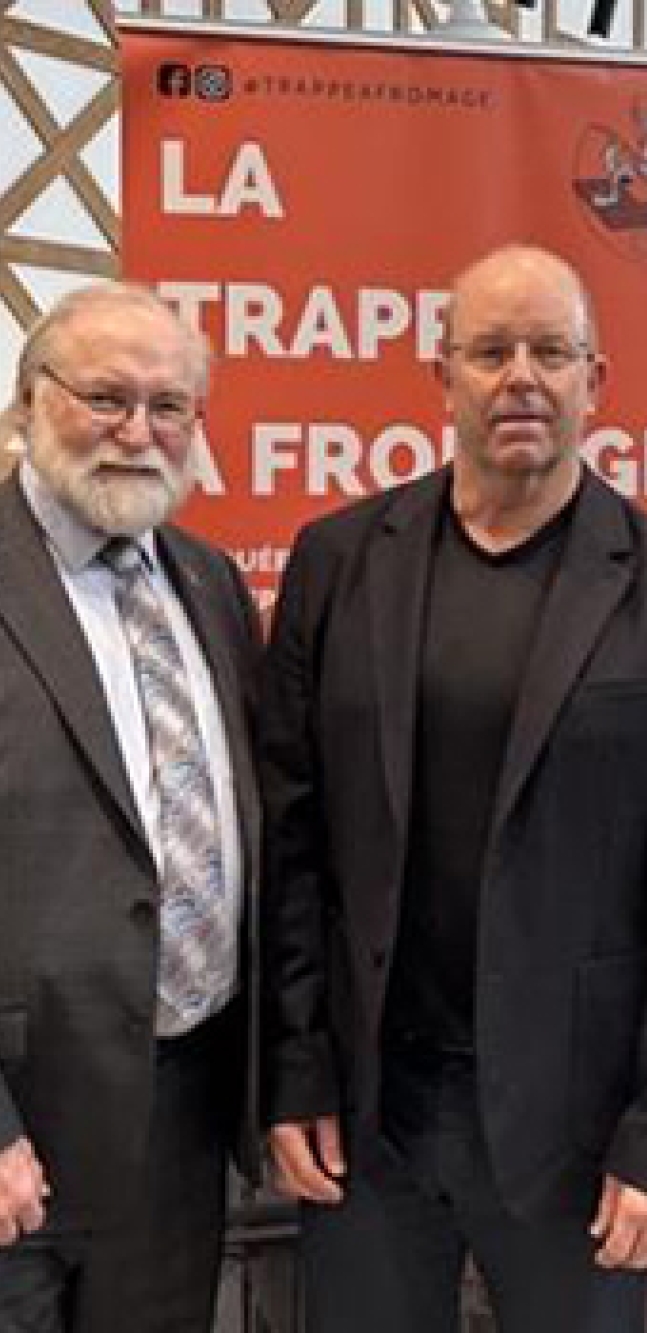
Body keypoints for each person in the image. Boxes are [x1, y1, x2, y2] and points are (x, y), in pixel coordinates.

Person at [259, 243, 647, 1333]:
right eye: (489, 351)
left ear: (597, 380)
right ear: (440, 377)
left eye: (550, 350)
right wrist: (294, 1071)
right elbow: (292, 841)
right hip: (369, 1115)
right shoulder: (339, 561)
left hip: (578, 1131)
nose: (520, 376)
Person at [0, 282, 261, 1333]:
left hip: (180, 1119)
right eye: (104, 397)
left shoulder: (209, 584)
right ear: (27, 404)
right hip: (20, 1133)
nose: (137, 431)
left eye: (168, 407)